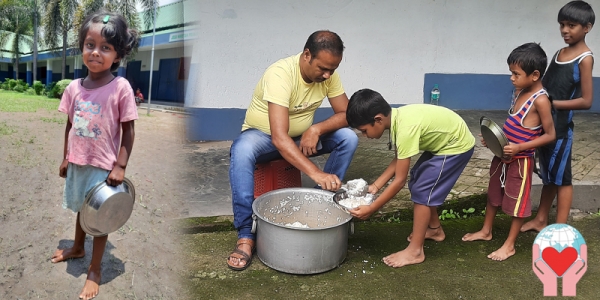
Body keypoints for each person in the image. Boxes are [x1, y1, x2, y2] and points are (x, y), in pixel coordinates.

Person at [227, 30, 359, 271]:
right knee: (241, 150)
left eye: (333, 69)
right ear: (306, 55)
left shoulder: (329, 76)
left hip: (300, 139)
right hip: (263, 138)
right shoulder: (280, 74)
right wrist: (316, 173)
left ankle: (323, 206)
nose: (328, 74)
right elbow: (279, 137)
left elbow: (347, 114)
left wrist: (316, 128)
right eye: (323, 68)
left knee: (347, 138)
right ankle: (246, 233)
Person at [50, 10, 139, 300]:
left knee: (100, 218)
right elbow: (70, 126)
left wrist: (121, 166)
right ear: (82, 47)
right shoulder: (74, 88)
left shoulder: (121, 88)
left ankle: (95, 269)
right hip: (78, 163)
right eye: (90, 45)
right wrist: (66, 156)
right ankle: (77, 247)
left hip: (103, 167)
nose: (96, 52)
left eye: (106, 48)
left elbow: (128, 132)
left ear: (118, 55)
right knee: (81, 207)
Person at [345, 89, 475, 268]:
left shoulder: (405, 128)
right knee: (418, 180)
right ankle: (435, 230)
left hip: (456, 146)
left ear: (378, 119)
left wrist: (372, 208)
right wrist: (375, 186)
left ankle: (415, 251)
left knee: (423, 190)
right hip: (444, 141)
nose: (365, 136)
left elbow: (399, 181)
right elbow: (399, 159)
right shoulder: (398, 118)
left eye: (364, 131)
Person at [462, 43, 556, 261]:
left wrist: (520, 147)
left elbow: (550, 134)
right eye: (511, 73)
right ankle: (486, 231)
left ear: (535, 75)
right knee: (493, 195)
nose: (512, 78)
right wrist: (495, 141)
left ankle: (510, 245)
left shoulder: (541, 100)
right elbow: (512, 125)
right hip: (502, 156)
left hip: (521, 161)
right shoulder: (518, 92)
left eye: (516, 74)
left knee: (517, 202)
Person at [522, 0, 595, 232]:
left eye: (571, 25)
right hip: (544, 125)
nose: (565, 30)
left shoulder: (585, 59)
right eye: (562, 24)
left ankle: (561, 229)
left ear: (587, 27)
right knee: (549, 176)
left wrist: (552, 103)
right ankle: (541, 219)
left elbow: (586, 101)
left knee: (563, 179)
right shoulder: (559, 53)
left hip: (561, 130)